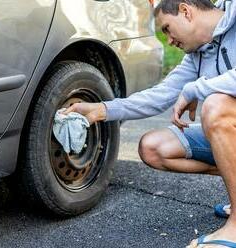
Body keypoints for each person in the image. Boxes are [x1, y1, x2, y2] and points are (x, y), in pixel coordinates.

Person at [63, 0, 236, 247]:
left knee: (215, 106)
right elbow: (159, 96)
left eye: (166, 28)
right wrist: (101, 110)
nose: (169, 41)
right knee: (154, 147)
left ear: (186, 11)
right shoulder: (198, 54)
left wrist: (195, 89)